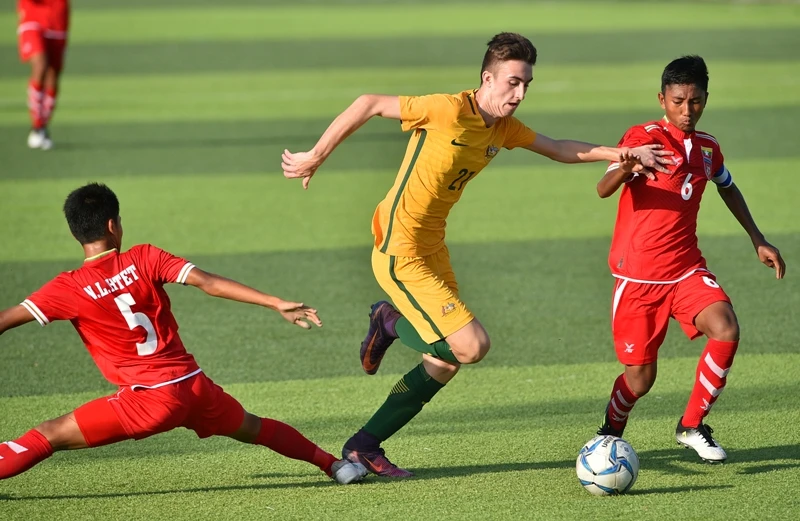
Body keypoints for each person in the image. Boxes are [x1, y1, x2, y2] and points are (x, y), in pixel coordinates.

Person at [281, 32, 675, 477]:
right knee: (471, 346)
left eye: (526, 84)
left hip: (433, 247)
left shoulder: (503, 128)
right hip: (399, 248)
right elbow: (368, 102)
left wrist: (622, 154)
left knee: (444, 362)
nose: (519, 94)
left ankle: (363, 445)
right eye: (512, 82)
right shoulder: (448, 109)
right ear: (488, 78)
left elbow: (560, 148)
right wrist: (316, 155)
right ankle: (388, 321)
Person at [0, 183, 367, 485]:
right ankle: (336, 466)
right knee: (256, 427)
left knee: (48, 434)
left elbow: (7, 319)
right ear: (113, 225)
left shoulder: (68, 287)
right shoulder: (144, 257)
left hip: (148, 401)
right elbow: (208, 282)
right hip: (195, 388)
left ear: (74, 231)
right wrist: (274, 302)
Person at [595, 55, 786, 463]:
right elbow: (604, 188)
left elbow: (727, 186)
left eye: (695, 101)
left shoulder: (708, 148)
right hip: (638, 278)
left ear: (705, 99)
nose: (687, 110)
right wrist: (627, 165)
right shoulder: (643, 137)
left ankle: (692, 424)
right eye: (678, 101)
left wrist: (758, 238)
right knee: (640, 380)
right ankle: (609, 432)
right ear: (662, 99)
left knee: (726, 327)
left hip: (685, 269)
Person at [17, 0, 70, 150]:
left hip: (57, 17)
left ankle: (42, 127)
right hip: (32, 16)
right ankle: (37, 126)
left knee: (53, 73)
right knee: (40, 64)